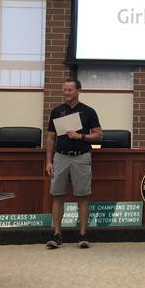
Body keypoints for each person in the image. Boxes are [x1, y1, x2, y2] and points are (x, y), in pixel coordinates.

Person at [45, 79, 102, 249]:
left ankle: (83, 235)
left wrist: (81, 136)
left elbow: (99, 135)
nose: (67, 93)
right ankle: (56, 235)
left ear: (78, 91)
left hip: (81, 156)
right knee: (57, 194)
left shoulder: (88, 112)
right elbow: (50, 137)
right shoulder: (57, 111)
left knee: (83, 195)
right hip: (61, 156)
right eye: (64, 90)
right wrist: (48, 160)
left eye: (70, 90)